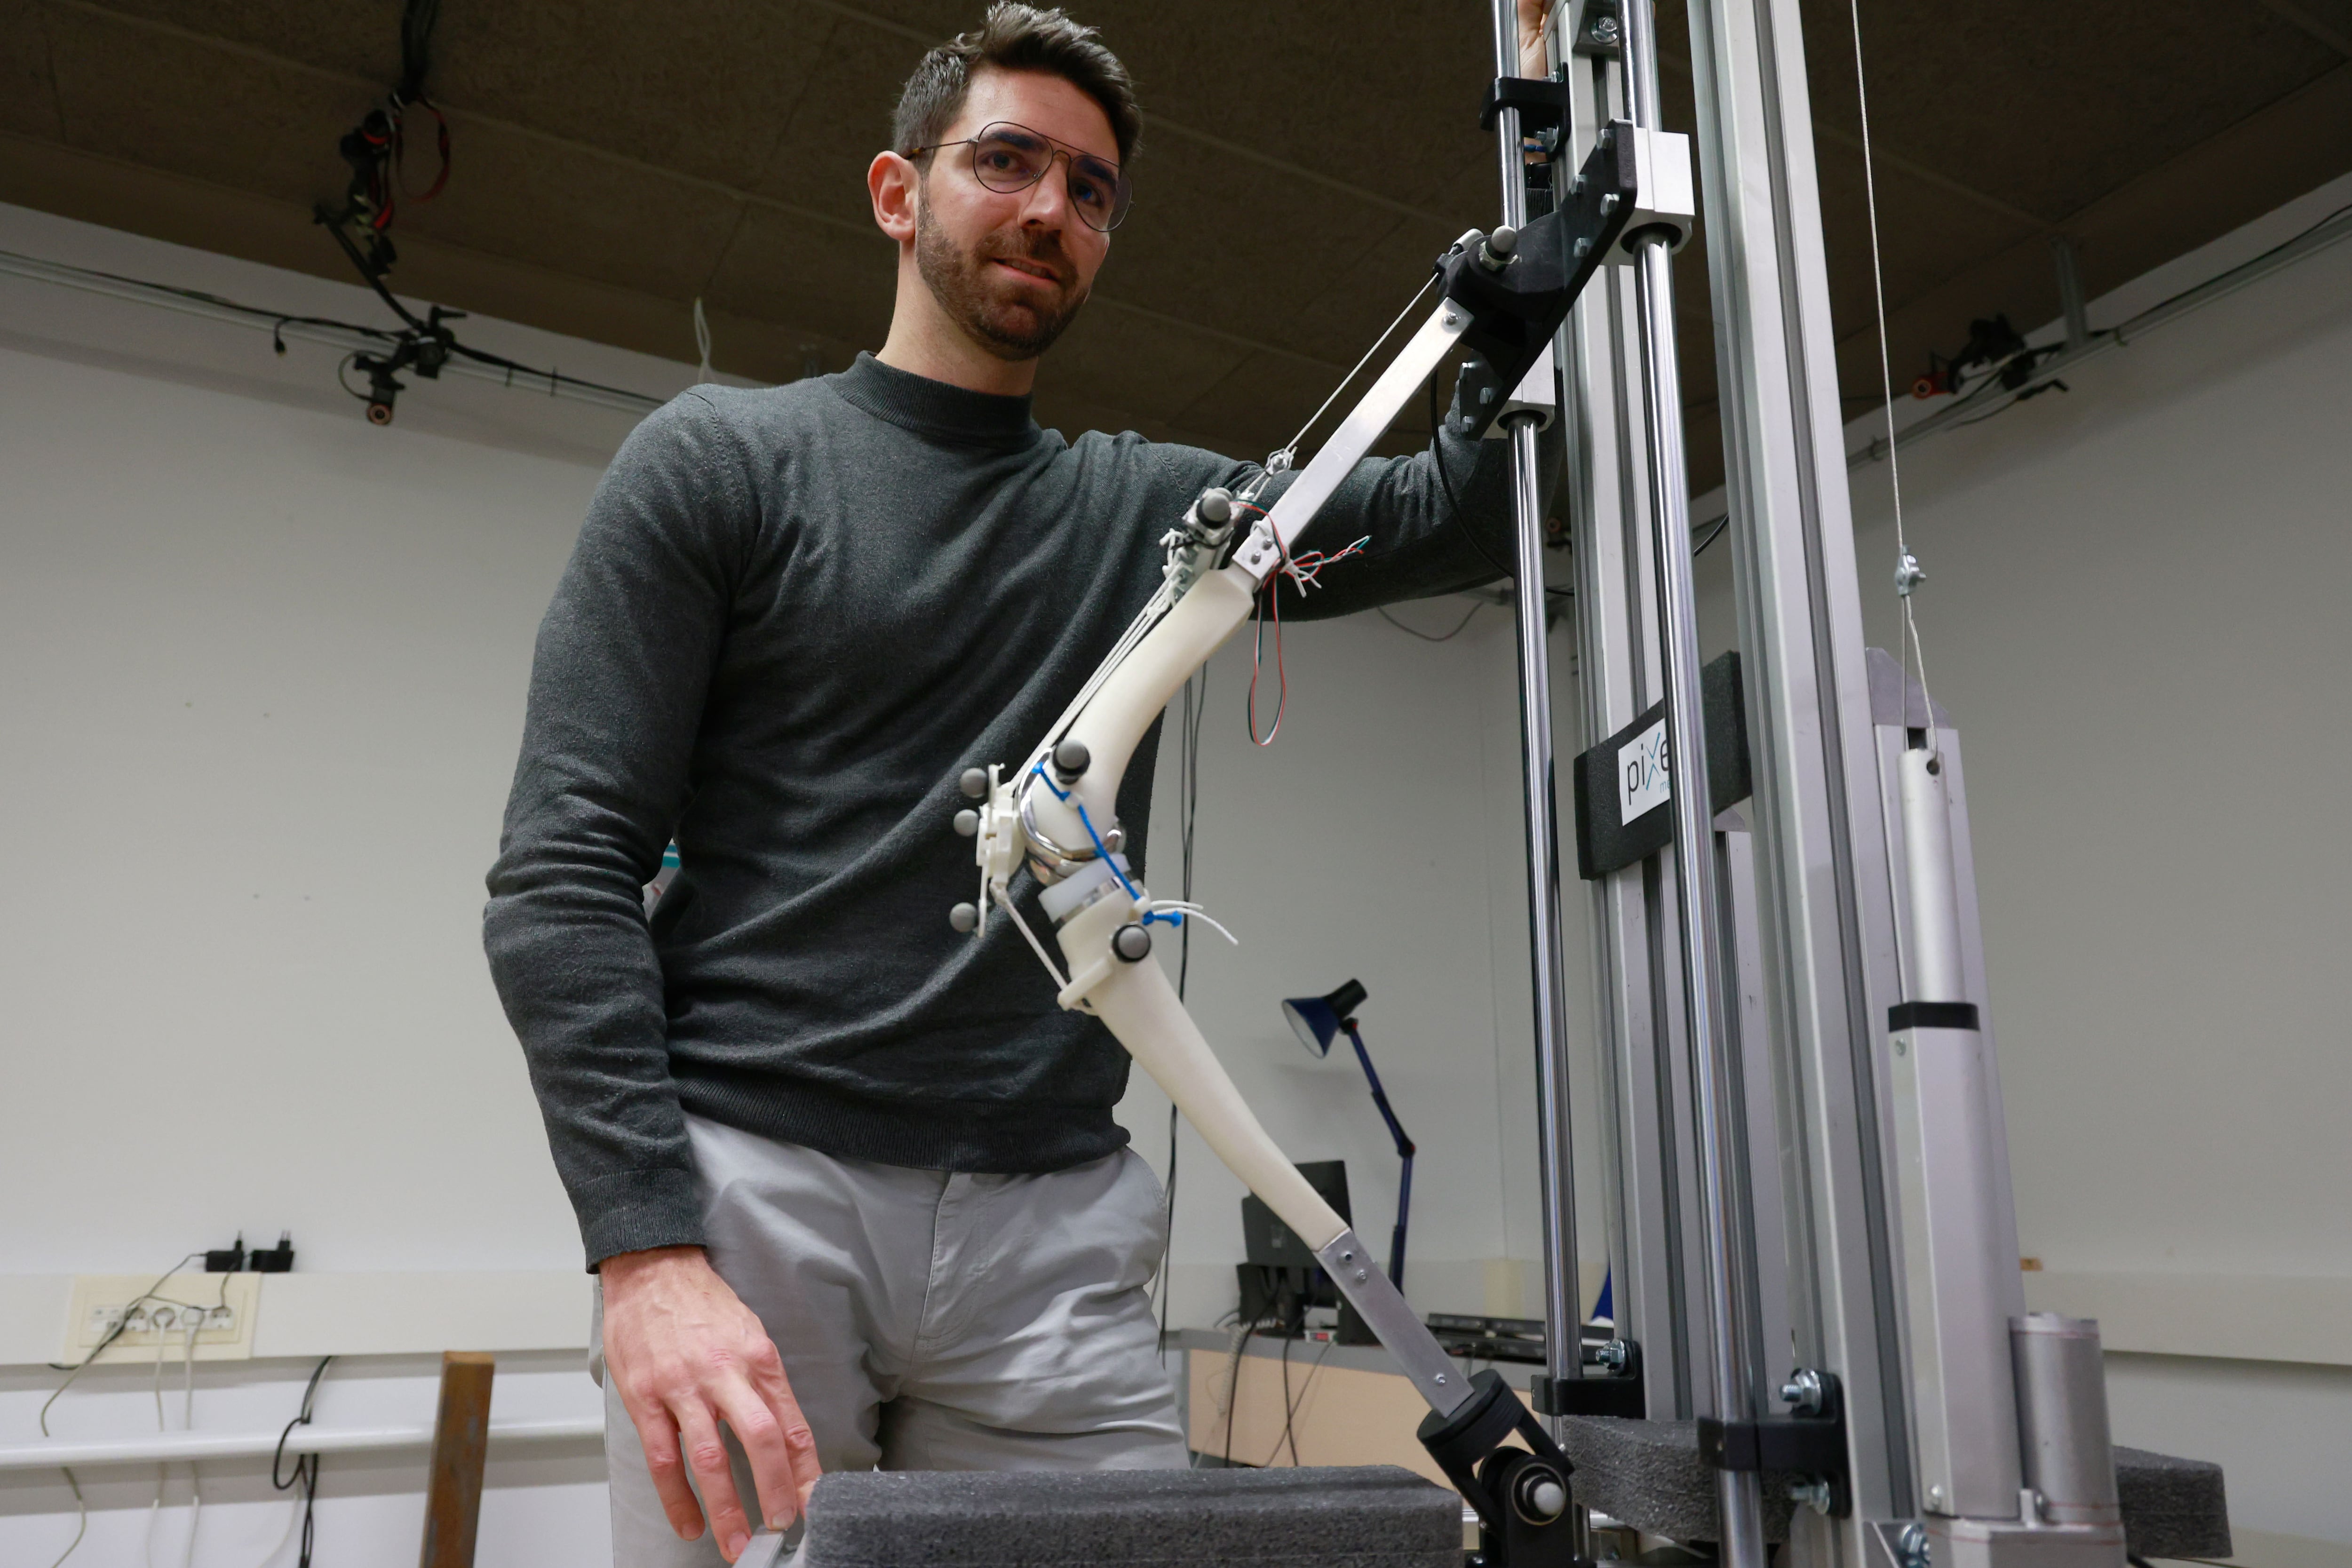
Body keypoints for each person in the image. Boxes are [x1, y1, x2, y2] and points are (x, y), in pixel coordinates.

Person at [484, 4, 1557, 1563]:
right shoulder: (721, 464)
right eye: (1007, 161)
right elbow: (563, 874)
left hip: (1053, 1232)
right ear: (897, 192)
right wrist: (644, 1253)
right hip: (759, 1201)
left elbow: (1460, 518)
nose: (1052, 208)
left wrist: (1534, 291)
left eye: (1093, 190)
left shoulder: (1152, 515)